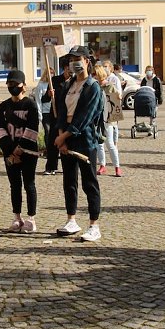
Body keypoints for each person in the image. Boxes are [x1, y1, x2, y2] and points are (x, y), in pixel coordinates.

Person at [54, 46, 104, 242]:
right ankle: (71, 220)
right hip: (65, 137)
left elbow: (85, 117)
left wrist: (64, 136)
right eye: (71, 59)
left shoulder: (93, 87)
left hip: (85, 139)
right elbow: (59, 112)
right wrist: (61, 137)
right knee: (69, 182)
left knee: (89, 182)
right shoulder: (67, 85)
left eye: (78, 59)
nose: (74, 62)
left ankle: (94, 225)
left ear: (87, 61)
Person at [0, 69, 41, 233]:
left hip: (28, 153)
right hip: (10, 153)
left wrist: (20, 149)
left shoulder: (30, 105)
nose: (13, 87)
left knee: (29, 184)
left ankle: (31, 218)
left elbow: (32, 129)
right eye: (10, 84)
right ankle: (17, 217)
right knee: (14, 185)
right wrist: (10, 149)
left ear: (24, 86)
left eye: (16, 84)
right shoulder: (4, 106)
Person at [43, 55, 70, 176]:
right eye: (68, 68)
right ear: (64, 68)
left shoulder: (75, 82)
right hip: (55, 115)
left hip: (69, 116)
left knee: (68, 141)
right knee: (52, 142)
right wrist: (49, 94)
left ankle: (68, 166)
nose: (70, 71)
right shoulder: (54, 80)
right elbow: (44, 99)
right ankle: (51, 166)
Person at [95, 65, 124, 177]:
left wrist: (118, 97)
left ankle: (117, 167)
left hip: (108, 119)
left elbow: (117, 98)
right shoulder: (95, 86)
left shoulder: (109, 86)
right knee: (99, 144)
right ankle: (102, 165)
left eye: (96, 74)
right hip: (97, 119)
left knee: (110, 144)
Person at [33, 67, 53, 145]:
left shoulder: (54, 84)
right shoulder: (40, 85)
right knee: (48, 131)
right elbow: (38, 100)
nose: (51, 75)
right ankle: (48, 149)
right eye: (49, 73)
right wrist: (40, 115)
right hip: (45, 112)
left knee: (53, 132)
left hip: (53, 111)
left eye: (52, 73)